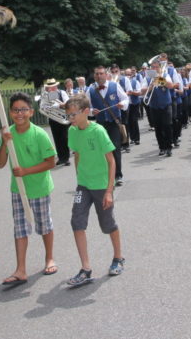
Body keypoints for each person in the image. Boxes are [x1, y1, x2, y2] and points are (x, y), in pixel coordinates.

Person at [0, 92, 57, 286]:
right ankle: (20, 269)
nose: (19, 113)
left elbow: (51, 162)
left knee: (44, 225)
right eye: (15, 110)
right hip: (18, 190)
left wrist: (26, 171)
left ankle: (49, 258)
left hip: (39, 188)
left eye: (23, 109)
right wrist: (5, 143)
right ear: (10, 112)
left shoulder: (39, 134)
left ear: (31, 112)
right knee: (20, 229)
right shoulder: (8, 133)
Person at [65, 94, 125, 286]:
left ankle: (118, 257)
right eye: (68, 115)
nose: (70, 118)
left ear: (85, 112)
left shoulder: (98, 131)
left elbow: (111, 160)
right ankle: (85, 268)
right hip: (83, 185)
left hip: (101, 186)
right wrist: (79, 177)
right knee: (77, 222)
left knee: (108, 225)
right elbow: (77, 155)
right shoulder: (72, 132)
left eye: (73, 114)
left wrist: (109, 191)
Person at [87, 65, 128, 186]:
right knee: (102, 150)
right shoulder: (90, 89)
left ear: (106, 75)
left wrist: (122, 104)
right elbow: (86, 106)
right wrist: (91, 111)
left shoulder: (114, 85)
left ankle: (118, 175)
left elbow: (126, 99)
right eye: (96, 74)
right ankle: (106, 175)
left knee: (115, 148)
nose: (99, 76)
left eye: (101, 73)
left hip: (114, 122)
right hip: (100, 124)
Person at [142, 59, 175, 157]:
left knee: (167, 126)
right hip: (154, 106)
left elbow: (171, 85)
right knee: (158, 128)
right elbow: (142, 90)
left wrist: (160, 78)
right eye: (153, 67)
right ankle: (162, 147)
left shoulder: (165, 75)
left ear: (160, 68)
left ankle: (169, 147)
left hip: (165, 105)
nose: (155, 69)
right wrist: (151, 85)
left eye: (157, 67)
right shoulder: (147, 78)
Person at [40, 79, 71, 166]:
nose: (51, 88)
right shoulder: (46, 95)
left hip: (63, 119)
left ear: (56, 86)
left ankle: (66, 158)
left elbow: (67, 103)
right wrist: (49, 107)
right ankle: (61, 158)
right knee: (56, 139)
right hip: (53, 119)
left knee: (64, 138)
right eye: (49, 87)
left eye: (52, 86)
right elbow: (42, 107)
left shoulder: (62, 93)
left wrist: (57, 105)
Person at [124, 68, 142, 146]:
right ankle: (132, 138)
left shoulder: (135, 82)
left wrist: (132, 92)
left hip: (134, 104)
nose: (128, 76)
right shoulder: (122, 83)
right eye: (126, 74)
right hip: (127, 105)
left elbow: (139, 93)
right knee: (128, 122)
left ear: (132, 74)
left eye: (129, 74)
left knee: (134, 121)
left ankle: (137, 139)